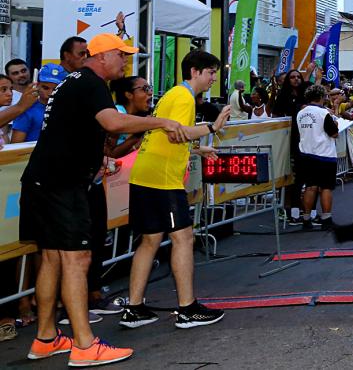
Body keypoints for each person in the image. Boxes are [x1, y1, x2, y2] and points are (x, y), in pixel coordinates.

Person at [20, 34, 186, 365]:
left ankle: (46, 338)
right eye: (120, 55)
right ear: (101, 56)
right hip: (61, 185)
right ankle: (85, 346)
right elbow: (112, 122)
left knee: (52, 258)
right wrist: (161, 121)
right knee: (76, 260)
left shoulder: (76, 82)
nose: (125, 61)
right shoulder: (91, 82)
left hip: (43, 181)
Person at [120, 51, 230, 331]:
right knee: (183, 238)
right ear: (194, 71)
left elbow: (170, 135)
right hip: (163, 179)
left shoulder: (172, 94)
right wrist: (212, 127)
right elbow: (175, 134)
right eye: (210, 72)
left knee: (150, 241)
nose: (213, 78)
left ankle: (134, 308)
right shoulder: (183, 96)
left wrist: (198, 149)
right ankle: (187, 309)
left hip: (145, 174)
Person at [83, 77, 153, 318]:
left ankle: (93, 293)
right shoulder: (115, 115)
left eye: (149, 88)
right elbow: (108, 151)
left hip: (102, 184)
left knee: (98, 238)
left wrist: (135, 140)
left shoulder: (132, 117)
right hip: (86, 185)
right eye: (144, 89)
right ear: (128, 95)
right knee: (86, 244)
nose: (149, 93)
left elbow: (113, 154)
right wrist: (136, 137)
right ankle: (82, 299)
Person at [296, 85, 341, 230]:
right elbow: (334, 133)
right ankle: (326, 219)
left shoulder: (301, 113)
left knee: (310, 187)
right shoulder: (323, 113)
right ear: (321, 97)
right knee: (325, 188)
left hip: (306, 154)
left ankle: (306, 219)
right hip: (324, 155)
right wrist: (335, 123)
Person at [274, 68, 309, 225]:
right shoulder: (283, 97)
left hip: (306, 138)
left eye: (298, 77)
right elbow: (275, 115)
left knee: (304, 176)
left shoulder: (305, 96)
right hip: (289, 140)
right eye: (292, 77)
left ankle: (304, 208)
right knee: (291, 176)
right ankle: (289, 208)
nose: (296, 79)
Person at [11, 64, 66, 144]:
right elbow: (15, 145)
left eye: (55, 89)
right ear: (37, 85)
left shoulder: (67, 109)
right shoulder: (27, 110)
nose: (50, 93)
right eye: (45, 88)